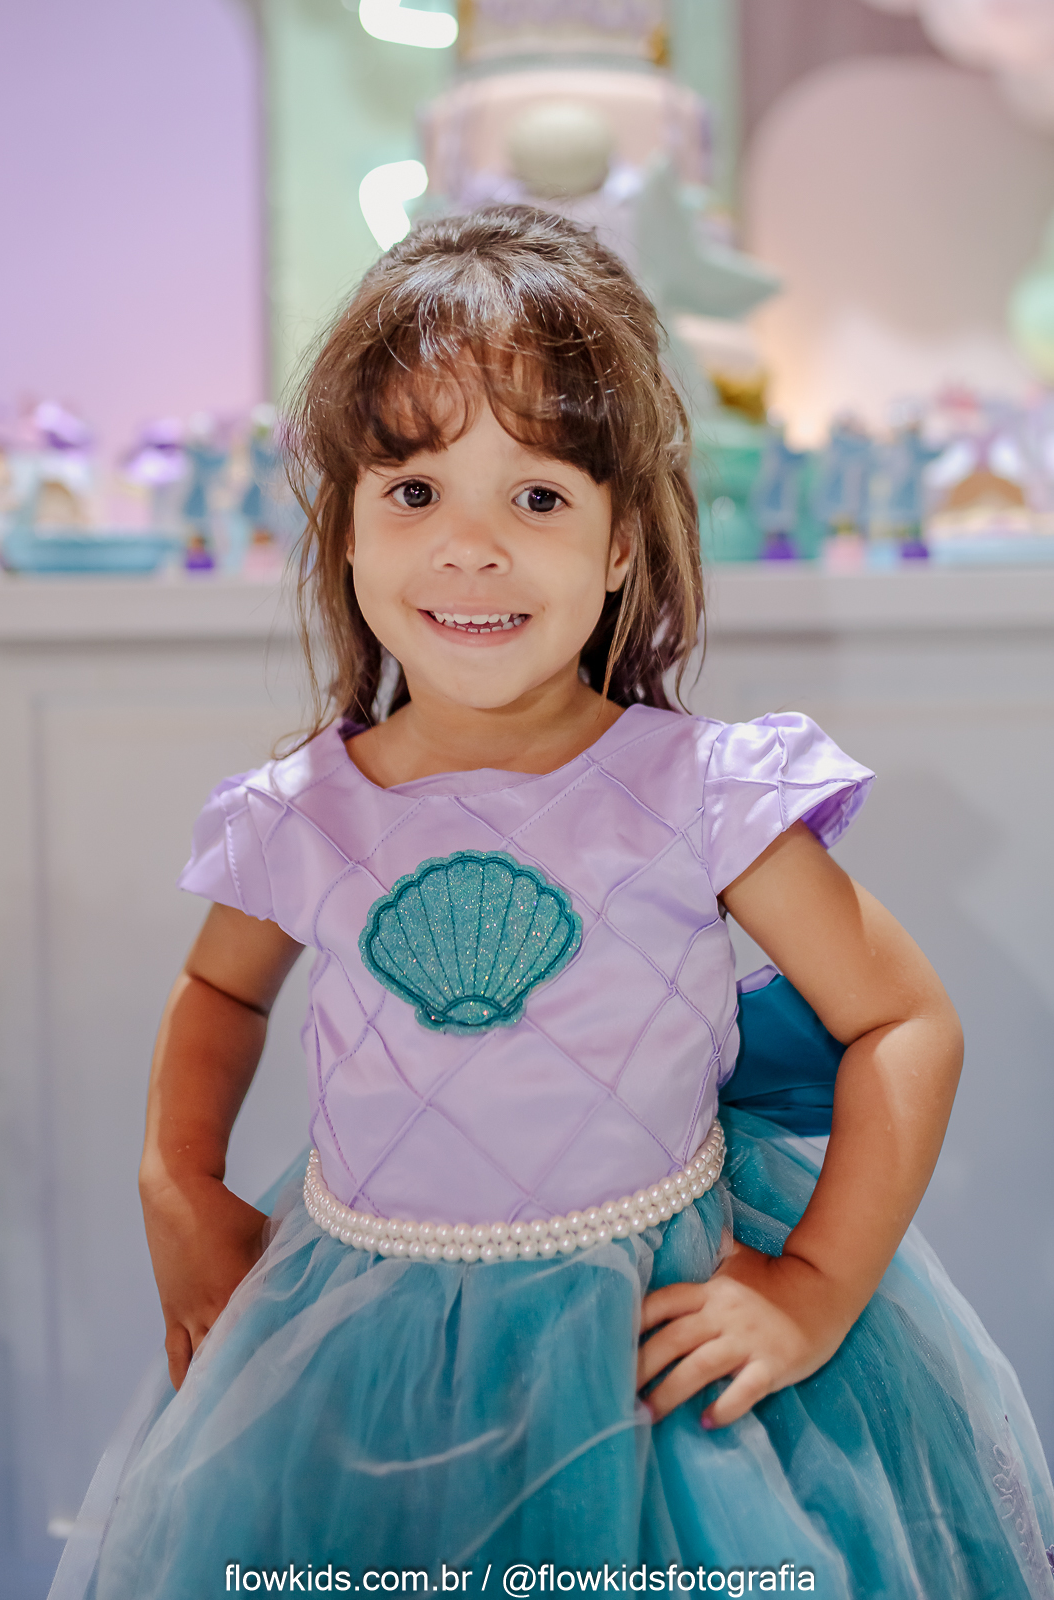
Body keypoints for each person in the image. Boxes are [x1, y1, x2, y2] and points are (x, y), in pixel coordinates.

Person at [53, 207, 1054, 1600]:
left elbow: (904, 1022)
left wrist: (817, 1285)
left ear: (623, 541)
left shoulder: (704, 795)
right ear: (346, 531)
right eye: (414, 491)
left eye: (535, 498)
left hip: (651, 1365)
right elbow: (220, 989)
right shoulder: (303, 813)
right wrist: (178, 1182)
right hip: (362, 1361)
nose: (469, 549)